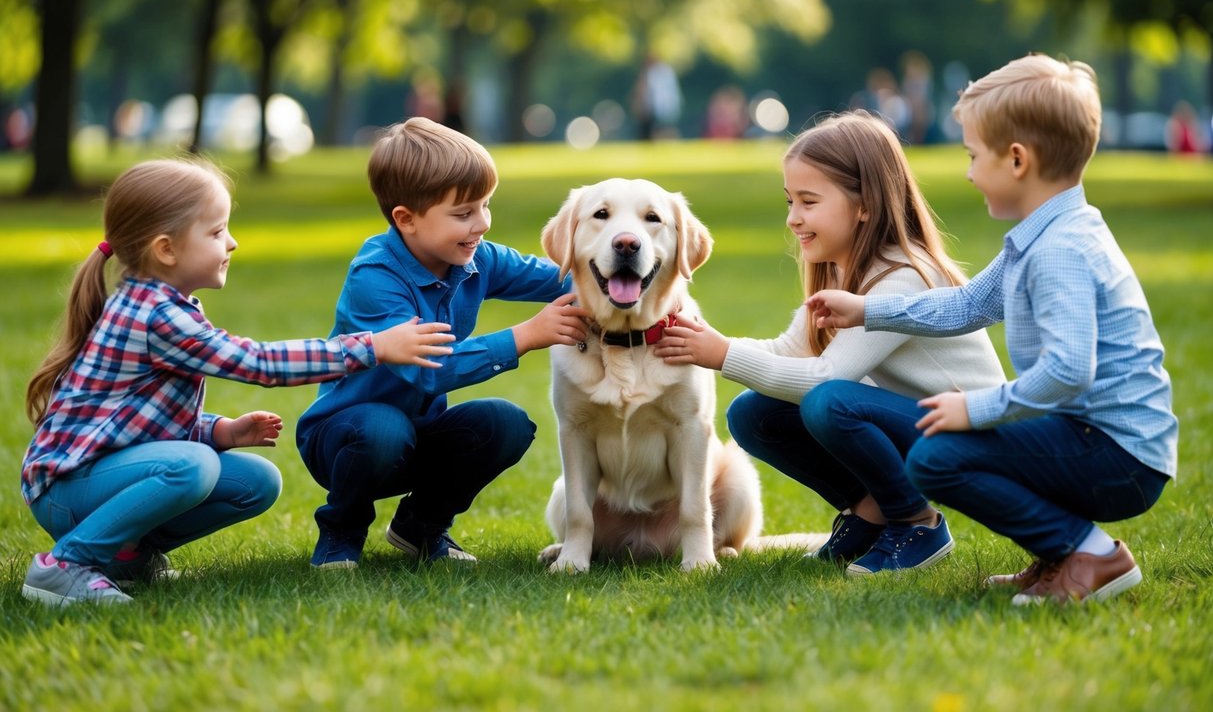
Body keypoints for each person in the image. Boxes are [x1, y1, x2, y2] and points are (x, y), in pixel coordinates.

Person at [808, 54, 1178, 605]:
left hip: (1118, 456)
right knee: (942, 450)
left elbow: (1070, 372)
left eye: (973, 155)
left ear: (1017, 160)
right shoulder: (1044, 234)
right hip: (1094, 442)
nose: (968, 170)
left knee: (938, 456)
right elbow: (965, 306)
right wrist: (868, 311)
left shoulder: (1060, 251)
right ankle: (1060, 555)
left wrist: (976, 409)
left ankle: (1092, 554)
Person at [20, 157, 456, 607]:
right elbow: (258, 363)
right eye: (215, 232)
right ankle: (66, 566)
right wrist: (373, 347)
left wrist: (219, 431)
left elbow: (135, 419)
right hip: (67, 487)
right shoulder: (157, 314)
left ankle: (125, 558)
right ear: (166, 250)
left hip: (100, 476)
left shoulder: (164, 303)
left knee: (256, 481)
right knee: (192, 467)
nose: (231, 242)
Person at [654, 111, 1005, 575]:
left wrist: (722, 354)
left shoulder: (901, 278)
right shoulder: (844, 269)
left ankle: (916, 521)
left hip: (975, 437)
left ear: (865, 206)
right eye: (789, 201)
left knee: (831, 402)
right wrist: (707, 344)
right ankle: (870, 514)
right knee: (753, 412)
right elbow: (785, 353)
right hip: (917, 424)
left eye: (808, 202)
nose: (793, 219)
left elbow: (827, 377)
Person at [296, 117, 590, 570]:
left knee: (505, 423)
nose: (482, 224)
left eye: (485, 205)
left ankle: (421, 527)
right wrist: (525, 336)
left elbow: (558, 278)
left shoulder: (476, 257)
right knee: (383, 428)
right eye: (463, 213)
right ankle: (341, 532)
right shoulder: (375, 276)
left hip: (418, 433)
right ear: (406, 219)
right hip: (344, 438)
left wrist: (623, 273)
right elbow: (428, 370)